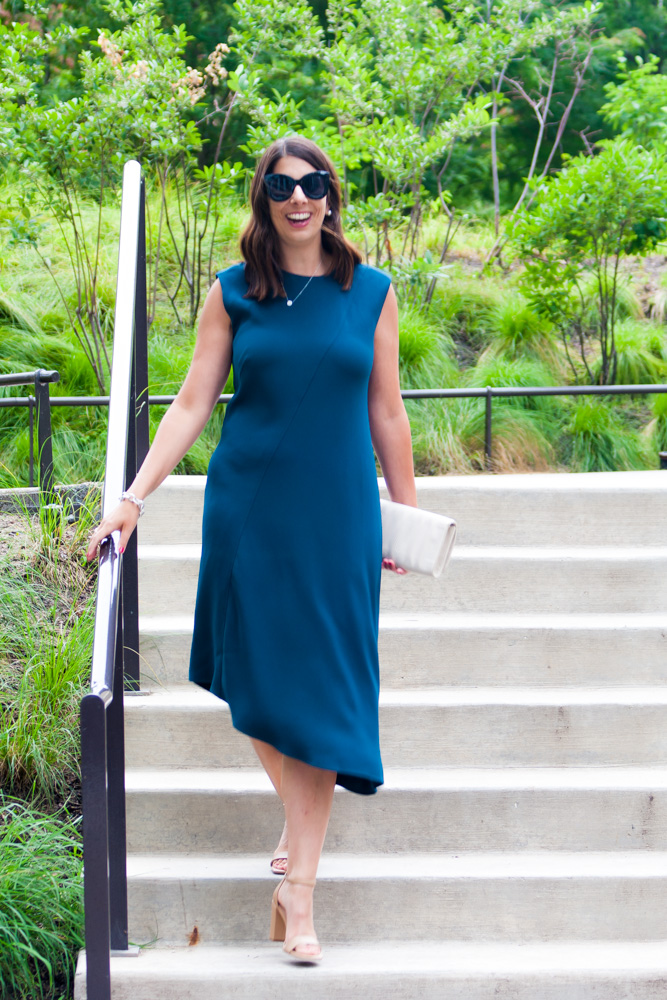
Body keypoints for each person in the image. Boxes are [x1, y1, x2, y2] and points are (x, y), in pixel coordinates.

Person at [86, 135, 417, 963]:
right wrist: (131, 499)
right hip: (251, 510)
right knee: (260, 681)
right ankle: (297, 864)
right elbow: (192, 403)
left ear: (331, 195)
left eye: (312, 184)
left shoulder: (370, 292)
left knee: (329, 695)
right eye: (281, 185)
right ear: (263, 197)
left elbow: (388, 412)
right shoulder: (233, 292)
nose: (298, 198)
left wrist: (405, 514)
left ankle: (296, 896)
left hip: (339, 515)